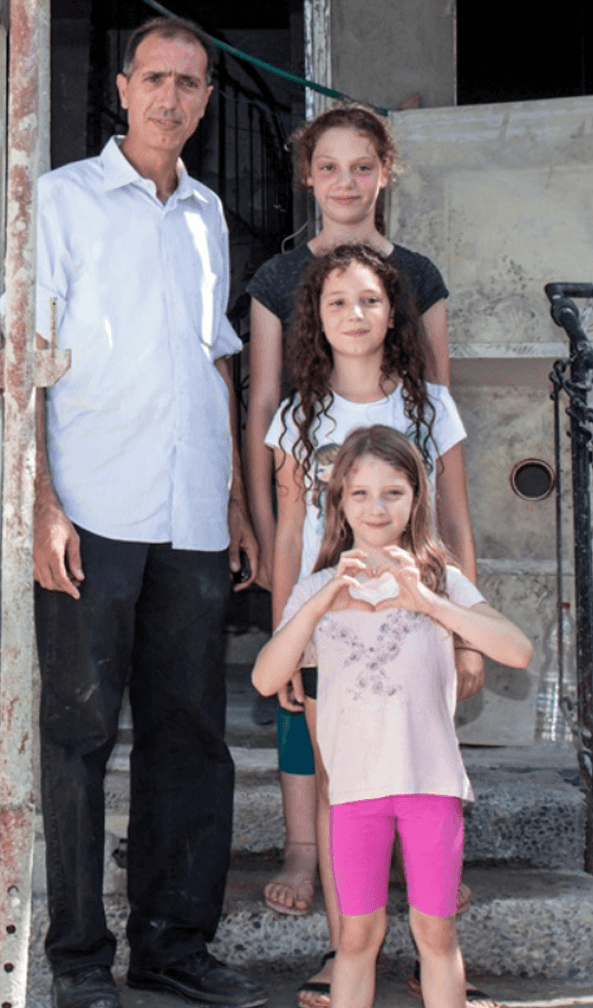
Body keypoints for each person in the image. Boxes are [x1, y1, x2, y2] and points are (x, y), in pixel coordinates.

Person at [33, 16, 265, 1008]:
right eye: (156, 79)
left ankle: (175, 947)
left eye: (191, 85)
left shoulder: (208, 212)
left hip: (193, 516)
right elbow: (31, 363)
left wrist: (237, 504)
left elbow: (218, 360)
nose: (172, 98)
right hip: (92, 507)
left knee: (191, 736)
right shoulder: (61, 201)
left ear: (208, 102)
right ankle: (80, 960)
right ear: (121, 89)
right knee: (81, 735)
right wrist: (41, 504)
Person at [243, 105, 483, 932]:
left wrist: (464, 621)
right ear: (308, 177)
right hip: (325, 596)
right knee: (321, 740)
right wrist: (284, 618)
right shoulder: (281, 293)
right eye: (329, 167)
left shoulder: (418, 287)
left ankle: (427, 890)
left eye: (362, 166)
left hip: (414, 595)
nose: (346, 182)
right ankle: (320, 879)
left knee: (411, 736)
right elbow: (276, 458)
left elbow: (446, 480)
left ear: (386, 171)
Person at [263, 243, 497, 1008]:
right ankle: (347, 948)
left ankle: (433, 942)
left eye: (369, 300)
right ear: (316, 319)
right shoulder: (299, 414)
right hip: (329, 630)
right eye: (337, 303)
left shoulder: (429, 403)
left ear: (392, 310)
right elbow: (290, 538)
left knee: (419, 774)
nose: (355, 315)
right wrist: (286, 646)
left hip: (419, 627)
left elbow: (455, 518)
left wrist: (464, 632)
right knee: (342, 786)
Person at [252, 424, 533, 1008]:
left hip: (429, 786)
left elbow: (517, 650)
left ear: (416, 499)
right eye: (360, 493)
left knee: (436, 932)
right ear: (340, 504)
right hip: (354, 794)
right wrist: (319, 605)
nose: (376, 507)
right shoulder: (317, 589)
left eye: (393, 493)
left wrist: (427, 603)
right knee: (357, 937)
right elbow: (264, 676)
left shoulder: (439, 581)